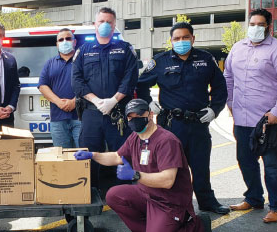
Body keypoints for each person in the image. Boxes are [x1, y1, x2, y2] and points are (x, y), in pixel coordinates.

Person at [136, 22, 230, 215]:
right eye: (176, 38)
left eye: (185, 37)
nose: (181, 41)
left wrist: (215, 109)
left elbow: (220, 87)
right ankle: (171, 204)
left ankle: (206, 201)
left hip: (198, 124)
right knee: (171, 167)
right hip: (171, 125)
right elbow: (140, 85)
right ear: (171, 41)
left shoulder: (205, 59)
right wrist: (148, 103)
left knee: (200, 165)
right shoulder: (160, 61)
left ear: (193, 39)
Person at [74, 99, 203, 232]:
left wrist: (135, 175)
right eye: (130, 117)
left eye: (139, 116)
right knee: (114, 195)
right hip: (146, 194)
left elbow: (168, 180)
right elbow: (117, 156)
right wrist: (93, 155)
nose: (134, 120)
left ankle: (196, 226)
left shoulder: (167, 141)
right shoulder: (136, 137)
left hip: (169, 202)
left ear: (150, 115)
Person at [223, 8, 277, 223]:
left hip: (268, 120)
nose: (255, 28)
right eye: (252, 24)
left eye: (260, 24)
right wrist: (230, 102)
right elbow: (228, 76)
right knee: (245, 161)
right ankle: (254, 197)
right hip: (242, 118)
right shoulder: (237, 48)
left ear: (268, 26)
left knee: (273, 164)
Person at [72, 7, 138, 185]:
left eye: (109, 22)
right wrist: (95, 100)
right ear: (95, 24)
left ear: (114, 24)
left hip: (118, 114)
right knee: (89, 154)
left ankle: (122, 195)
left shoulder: (125, 49)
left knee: (121, 154)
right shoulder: (84, 51)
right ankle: (91, 194)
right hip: (91, 113)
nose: (105, 25)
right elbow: (77, 81)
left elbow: (130, 78)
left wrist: (113, 100)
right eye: (101, 21)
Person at [38, 28, 80, 148]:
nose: (64, 41)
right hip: (58, 119)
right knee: (62, 158)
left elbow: (92, 85)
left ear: (75, 41)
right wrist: (59, 102)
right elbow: (42, 86)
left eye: (68, 38)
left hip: (81, 118)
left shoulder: (83, 61)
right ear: (57, 44)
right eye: (61, 40)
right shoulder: (50, 63)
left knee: (84, 156)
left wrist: (74, 102)